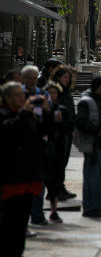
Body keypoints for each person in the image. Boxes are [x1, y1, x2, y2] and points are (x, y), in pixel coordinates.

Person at [0, 81, 48, 257]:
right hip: (12, 177)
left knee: (21, 221)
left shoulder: (25, 115)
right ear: (7, 98)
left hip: (27, 175)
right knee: (10, 221)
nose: (22, 98)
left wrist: (46, 112)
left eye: (23, 95)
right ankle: (6, 256)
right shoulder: (5, 114)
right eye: (18, 95)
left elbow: (42, 132)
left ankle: (17, 254)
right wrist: (24, 113)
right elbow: (10, 131)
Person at [74, 76, 101, 218]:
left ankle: (98, 205)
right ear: (96, 88)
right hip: (94, 147)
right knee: (92, 178)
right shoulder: (87, 102)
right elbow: (80, 122)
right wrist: (96, 131)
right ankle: (90, 207)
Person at [21, 65, 50, 227]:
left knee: (40, 179)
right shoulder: (17, 95)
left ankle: (37, 214)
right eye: (29, 78)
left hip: (39, 141)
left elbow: (50, 117)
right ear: (23, 79)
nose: (32, 81)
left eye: (34, 78)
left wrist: (47, 110)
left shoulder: (43, 94)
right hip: (22, 143)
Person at [41, 82, 67, 223]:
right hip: (42, 149)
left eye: (54, 93)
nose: (52, 96)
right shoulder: (39, 109)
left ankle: (53, 211)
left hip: (57, 148)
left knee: (54, 181)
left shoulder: (61, 109)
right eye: (49, 93)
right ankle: (37, 212)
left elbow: (68, 128)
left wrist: (61, 122)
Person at [51, 66, 77, 201]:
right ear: (58, 77)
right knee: (58, 162)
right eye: (64, 77)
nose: (67, 80)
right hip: (59, 132)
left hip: (68, 130)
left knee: (63, 161)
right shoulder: (56, 92)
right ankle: (55, 190)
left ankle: (60, 188)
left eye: (68, 77)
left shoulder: (66, 91)